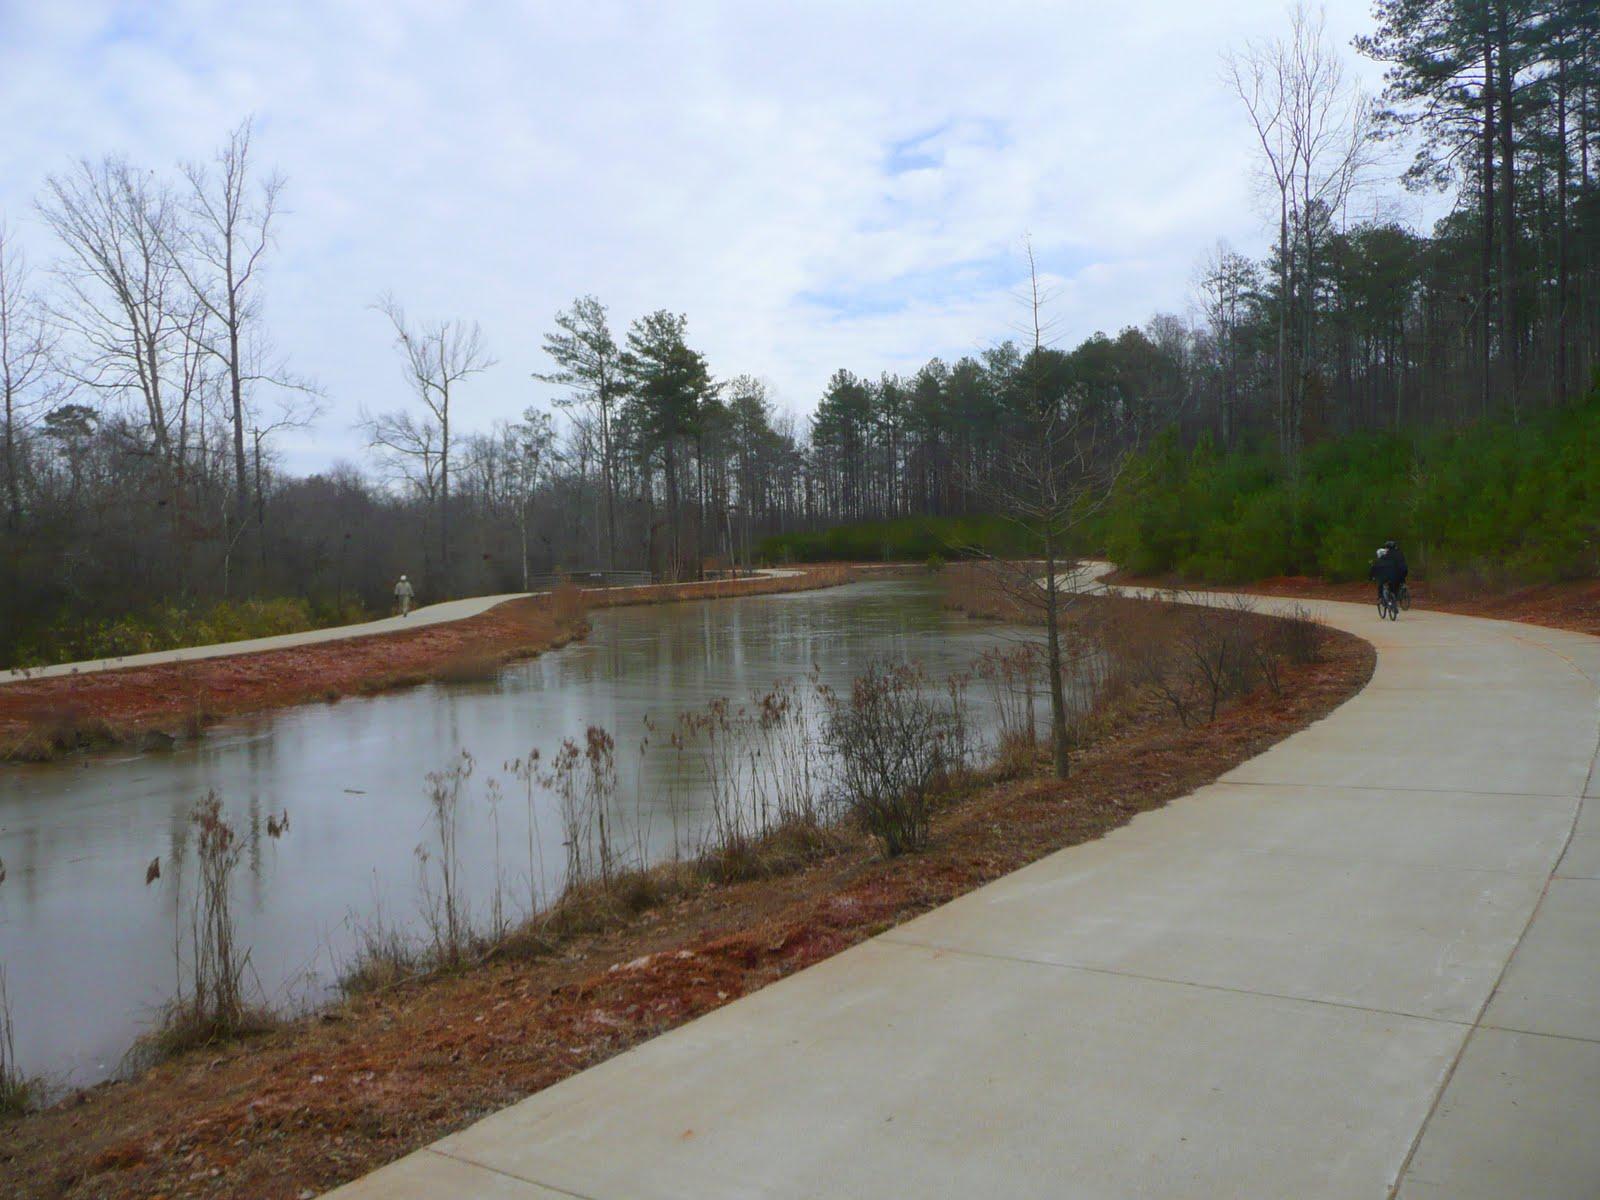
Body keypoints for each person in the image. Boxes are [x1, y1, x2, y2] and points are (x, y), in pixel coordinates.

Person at [1368, 540, 1408, 605]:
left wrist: (1371, 577)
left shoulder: (1386, 556)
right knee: (1399, 581)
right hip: (1403, 571)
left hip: (1390, 574)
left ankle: (1382, 598)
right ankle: (1401, 589)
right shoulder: (1400, 553)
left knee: (1383, 584)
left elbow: (1375, 569)